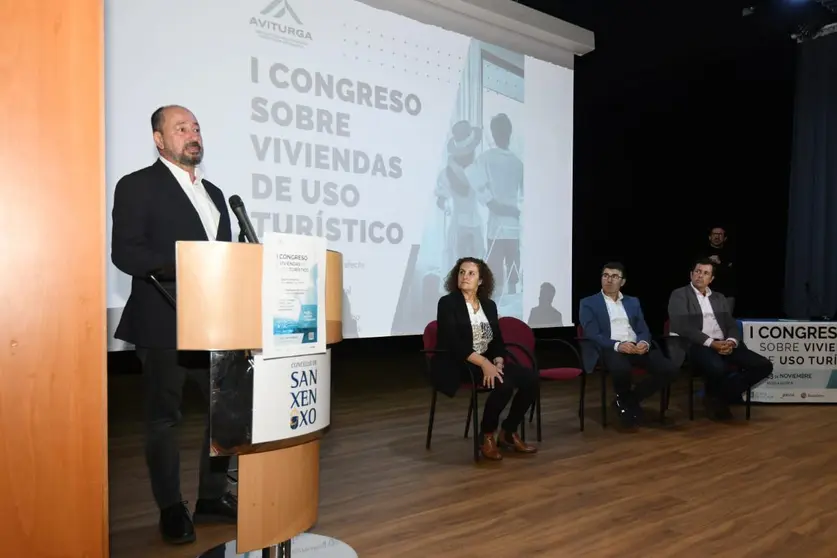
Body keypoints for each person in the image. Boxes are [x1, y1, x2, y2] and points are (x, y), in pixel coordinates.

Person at [111, 105, 236, 545]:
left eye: (197, 127)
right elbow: (125, 253)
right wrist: (179, 265)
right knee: (164, 419)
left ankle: (211, 497)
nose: (192, 134)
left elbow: (224, 258)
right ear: (159, 140)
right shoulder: (137, 186)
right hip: (163, 321)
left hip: (213, 323)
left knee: (226, 415)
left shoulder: (217, 194)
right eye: (181, 128)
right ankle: (170, 507)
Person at [431, 257, 538, 460]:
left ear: (481, 280)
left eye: (471, 273)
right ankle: (487, 435)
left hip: (486, 361)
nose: (465, 277)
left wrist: (497, 360)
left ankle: (508, 431)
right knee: (503, 384)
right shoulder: (447, 303)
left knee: (530, 379)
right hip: (458, 362)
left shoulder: (488, 305)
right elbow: (453, 343)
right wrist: (484, 364)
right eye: (461, 272)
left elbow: (496, 339)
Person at [668, 258, 772, 420]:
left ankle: (720, 397)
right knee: (718, 368)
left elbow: (731, 324)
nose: (700, 276)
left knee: (763, 366)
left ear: (712, 279)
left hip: (724, 343)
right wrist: (712, 343)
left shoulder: (719, 298)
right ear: (691, 274)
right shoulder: (680, 295)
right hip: (697, 344)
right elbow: (683, 326)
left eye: (705, 273)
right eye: (697, 272)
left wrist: (731, 341)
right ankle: (718, 400)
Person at [579, 262, 680, 428]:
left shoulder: (633, 302)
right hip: (609, 347)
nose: (609, 280)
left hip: (635, 346)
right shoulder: (588, 302)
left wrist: (643, 342)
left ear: (622, 282)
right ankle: (627, 406)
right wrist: (618, 345)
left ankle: (627, 400)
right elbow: (592, 333)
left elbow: (642, 328)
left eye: (614, 276)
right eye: (605, 275)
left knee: (670, 370)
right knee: (622, 368)